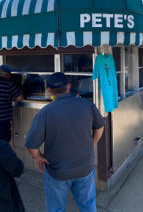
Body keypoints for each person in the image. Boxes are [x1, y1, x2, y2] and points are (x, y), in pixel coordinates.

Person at [25, 72, 105, 212]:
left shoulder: (45, 113)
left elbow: (32, 145)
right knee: (88, 206)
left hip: (57, 172)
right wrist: (92, 144)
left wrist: (38, 158)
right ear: (68, 86)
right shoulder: (87, 105)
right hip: (84, 168)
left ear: (49, 90)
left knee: (56, 209)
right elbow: (100, 127)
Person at [0, 65, 23, 142]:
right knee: (3, 144)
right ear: (7, 74)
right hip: (1, 121)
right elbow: (20, 98)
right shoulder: (8, 84)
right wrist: (12, 98)